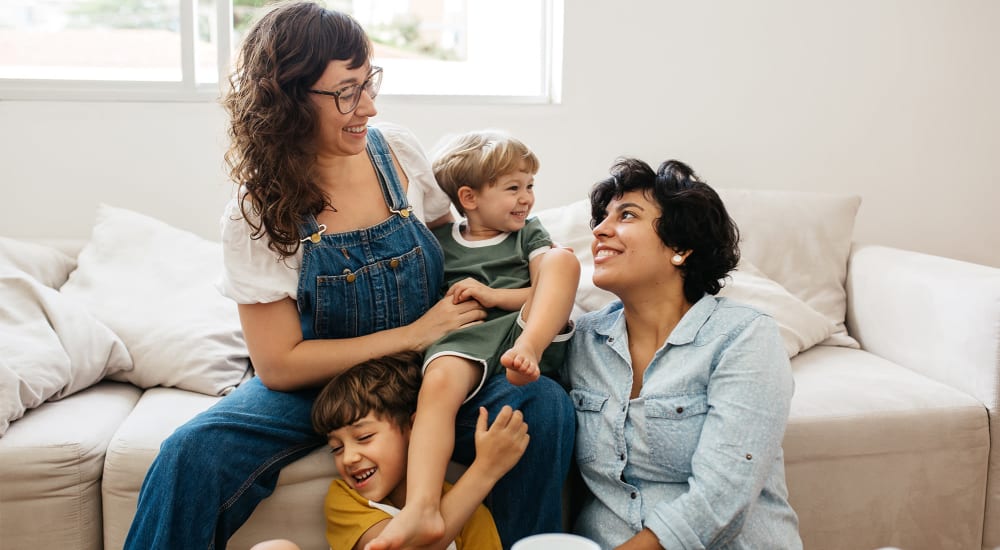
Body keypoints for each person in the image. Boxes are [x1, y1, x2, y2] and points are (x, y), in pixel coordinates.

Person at [122, 3, 575, 549]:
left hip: (435, 368)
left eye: (368, 83)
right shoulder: (257, 214)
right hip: (325, 385)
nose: (369, 106)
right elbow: (280, 364)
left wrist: (510, 298)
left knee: (542, 407)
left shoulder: (399, 153)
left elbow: (455, 250)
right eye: (346, 92)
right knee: (192, 452)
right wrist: (411, 333)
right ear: (288, 100)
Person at [564, 158, 802, 549]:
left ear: (680, 247)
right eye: (601, 219)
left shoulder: (742, 335)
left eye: (626, 215)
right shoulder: (584, 340)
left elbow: (722, 495)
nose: (600, 231)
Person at [369, 131, 580, 549]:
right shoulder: (442, 243)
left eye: (530, 186)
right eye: (513, 188)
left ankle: (529, 353)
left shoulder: (529, 235)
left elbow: (546, 289)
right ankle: (422, 506)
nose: (526, 199)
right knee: (439, 384)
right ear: (469, 197)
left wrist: (495, 295)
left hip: (524, 327)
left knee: (562, 259)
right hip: (468, 336)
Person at [253, 351, 528, 550]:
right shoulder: (347, 500)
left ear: (413, 429)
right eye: (336, 448)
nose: (348, 458)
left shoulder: (470, 511)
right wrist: (485, 471)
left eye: (364, 437)